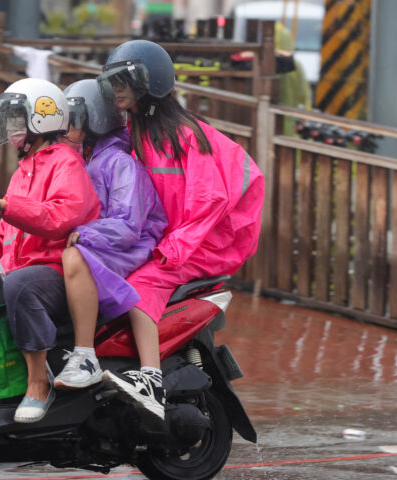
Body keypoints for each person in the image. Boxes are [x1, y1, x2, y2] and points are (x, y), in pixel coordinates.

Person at [96, 39, 265, 420]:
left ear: (150, 83)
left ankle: (151, 380)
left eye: (125, 80)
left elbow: (211, 201)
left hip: (205, 243)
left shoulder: (185, 135)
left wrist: (175, 249)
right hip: (170, 237)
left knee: (140, 286)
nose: (117, 88)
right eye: (114, 81)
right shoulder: (135, 134)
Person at [0, 78, 101, 423]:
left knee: (19, 285)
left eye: (16, 119)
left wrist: (6, 206)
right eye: (7, 119)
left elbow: (60, 218)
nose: (10, 128)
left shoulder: (66, 163)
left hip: (56, 273)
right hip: (22, 269)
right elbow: (1, 241)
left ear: (41, 120)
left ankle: (39, 383)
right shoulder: (22, 172)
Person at [52, 79, 167, 390]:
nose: (66, 129)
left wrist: (84, 233)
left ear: (95, 121)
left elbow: (128, 225)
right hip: (103, 242)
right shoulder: (83, 160)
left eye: (73, 121)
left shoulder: (119, 163)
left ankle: (84, 355)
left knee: (74, 257)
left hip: (126, 246)